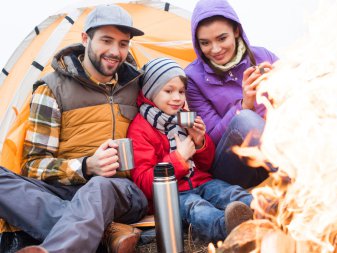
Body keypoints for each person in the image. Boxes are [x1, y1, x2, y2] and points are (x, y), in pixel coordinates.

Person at [0, 4, 148, 253]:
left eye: (123, 44)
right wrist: (87, 166)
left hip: (122, 192)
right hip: (64, 191)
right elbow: (34, 165)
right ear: (85, 38)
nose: (115, 51)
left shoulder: (138, 84)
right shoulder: (52, 88)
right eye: (106, 40)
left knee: (99, 185)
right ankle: (107, 233)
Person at [127, 57, 254, 243]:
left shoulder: (185, 118)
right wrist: (178, 158)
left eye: (181, 91)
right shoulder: (140, 129)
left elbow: (206, 165)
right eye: (168, 91)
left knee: (228, 191)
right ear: (150, 92)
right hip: (173, 194)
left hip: (201, 182)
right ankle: (230, 232)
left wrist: (200, 141)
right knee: (198, 208)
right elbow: (144, 182)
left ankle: (263, 211)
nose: (177, 98)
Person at [185, 0, 279, 189]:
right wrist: (244, 105)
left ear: (236, 31)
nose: (215, 49)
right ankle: (302, 182)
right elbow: (210, 140)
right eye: (205, 43)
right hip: (231, 166)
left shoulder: (263, 57)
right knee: (246, 119)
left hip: (274, 154)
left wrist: (284, 83)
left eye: (222, 38)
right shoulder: (193, 78)